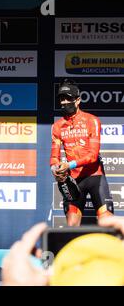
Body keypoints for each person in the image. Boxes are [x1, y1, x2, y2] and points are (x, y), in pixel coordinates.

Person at [50, 79, 114, 226]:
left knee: (107, 223)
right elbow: (54, 156)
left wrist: (69, 165)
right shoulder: (57, 126)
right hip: (73, 181)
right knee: (72, 226)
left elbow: (92, 156)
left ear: (78, 100)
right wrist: (55, 169)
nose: (64, 102)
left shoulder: (92, 121)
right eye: (61, 99)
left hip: (95, 177)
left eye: (68, 98)